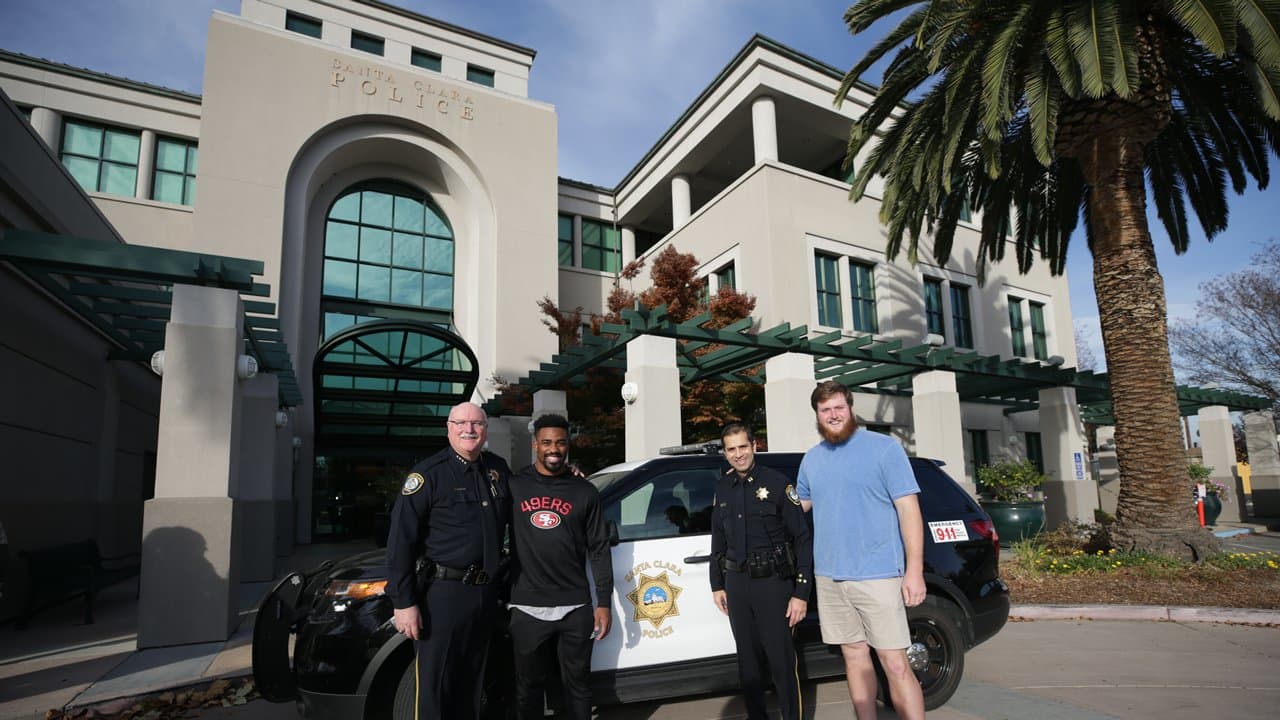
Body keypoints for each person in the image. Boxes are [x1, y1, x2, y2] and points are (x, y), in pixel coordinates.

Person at [796, 381, 925, 720]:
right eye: (826, 410)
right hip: (830, 577)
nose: (833, 415)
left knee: (895, 663)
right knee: (854, 657)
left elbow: (909, 510)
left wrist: (914, 571)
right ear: (817, 416)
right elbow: (797, 507)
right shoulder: (811, 459)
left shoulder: (885, 449)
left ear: (851, 408)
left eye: (839, 407)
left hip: (879, 574)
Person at [385, 402, 511, 719]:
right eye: (461, 423)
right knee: (436, 687)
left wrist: (568, 476)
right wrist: (403, 602)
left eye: (477, 423)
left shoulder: (497, 470)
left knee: (472, 684)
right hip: (442, 596)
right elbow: (401, 541)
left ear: (485, 429)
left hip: (484, 594)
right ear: (449, 427)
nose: (469, 429)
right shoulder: (428, 475)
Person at [506, 413, 613, 720]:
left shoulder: (584, 491)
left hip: (575, 607)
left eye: (561, 443)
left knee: (578, 687)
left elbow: (599, 549)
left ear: (568, 445)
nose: (554, 449)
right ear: (535, 445)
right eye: (547, 442)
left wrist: (603, 603)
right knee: (528, 689)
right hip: (527, 606)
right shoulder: (515, 486)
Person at [710, 422, 814, 720]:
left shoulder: (779, 484)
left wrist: (800, 593)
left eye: (743, 446)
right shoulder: (722, 488)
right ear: (725, 453)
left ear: (754, 445)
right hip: (737, 584)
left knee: (781, 662)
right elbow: (718, 539)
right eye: (731, 449)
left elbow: (802, 539)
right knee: (748, 664)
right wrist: (717, 584)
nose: (738, 454)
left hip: (773, 584)